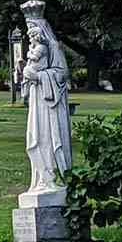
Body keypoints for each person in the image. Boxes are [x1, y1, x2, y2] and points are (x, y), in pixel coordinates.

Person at [21, 18, 72, 193]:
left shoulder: (53, 47)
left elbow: (62, 74)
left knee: (48, 137)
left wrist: (38, 77)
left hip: (50, 102)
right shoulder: (36, 48)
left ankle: (51, 176)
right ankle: (40, 179)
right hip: (36, 97)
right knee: (35, 137)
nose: (31, 36)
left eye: (33, 29)